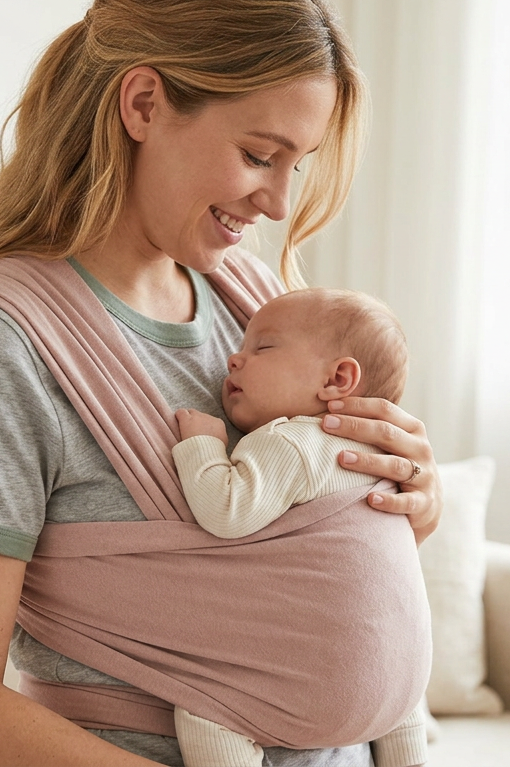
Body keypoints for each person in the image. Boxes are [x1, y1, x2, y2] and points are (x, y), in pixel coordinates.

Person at [0, 0, 443, 765]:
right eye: (259, 156)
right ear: (145, 105)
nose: (280, 203)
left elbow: (302, 555)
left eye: (299, 165)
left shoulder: (253, 306)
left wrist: (400, 503)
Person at [171, 287, 428, 767]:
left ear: (337, 378)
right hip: (402, 681)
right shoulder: (385, 460)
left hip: (323, 687)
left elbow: (227, 510)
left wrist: (203, 446)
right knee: (401, 679)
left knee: (204, 704)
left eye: (262, 348)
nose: (233, 359)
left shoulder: (293, 441)